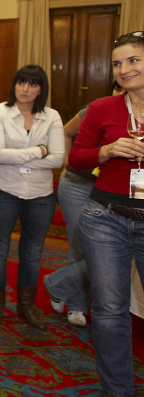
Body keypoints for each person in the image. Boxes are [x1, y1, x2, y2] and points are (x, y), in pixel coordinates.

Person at [69, 31, 144, 397]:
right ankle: (117, 391)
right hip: (105, 218)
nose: (124, 69)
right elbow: (77, 158)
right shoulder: (102, 108)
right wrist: (108, 150)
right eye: (117, 63)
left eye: (133, 60)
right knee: (111, 310)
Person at [0, 65, 64, 330]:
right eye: (21, 82)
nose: (26, 89)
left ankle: (26, 306)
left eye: (32, 84)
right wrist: (39, 151)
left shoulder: (52, 116)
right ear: (14, 84)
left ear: (41, 89)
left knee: (32, 252)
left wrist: (28, 155)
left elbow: (58, 158)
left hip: (40, 194)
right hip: (4, 191)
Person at [43, 81, 123, 329]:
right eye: (118, 88)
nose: (122, 93)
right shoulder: (95, 109)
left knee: (117, 249)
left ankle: (58, 284)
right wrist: (67, 164)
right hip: (79, 186)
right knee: (81, 247)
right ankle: (77, 306)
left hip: (113, 190)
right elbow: (66, 132)